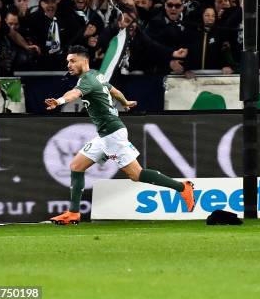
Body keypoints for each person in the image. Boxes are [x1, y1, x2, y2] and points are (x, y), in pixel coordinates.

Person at [45, 45, 195, 225]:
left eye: (72, 61)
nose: (68, 64)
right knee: (76, 165)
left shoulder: (87, 81)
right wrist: (126, 102)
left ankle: (182, 187)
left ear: (84, 61)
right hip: (105, 135)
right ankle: (74, 213)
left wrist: (59, 101)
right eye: (68, 61)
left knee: (136, 175)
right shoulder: (96, 75)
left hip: (112, 134)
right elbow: (113, 90)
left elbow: (74, 94)